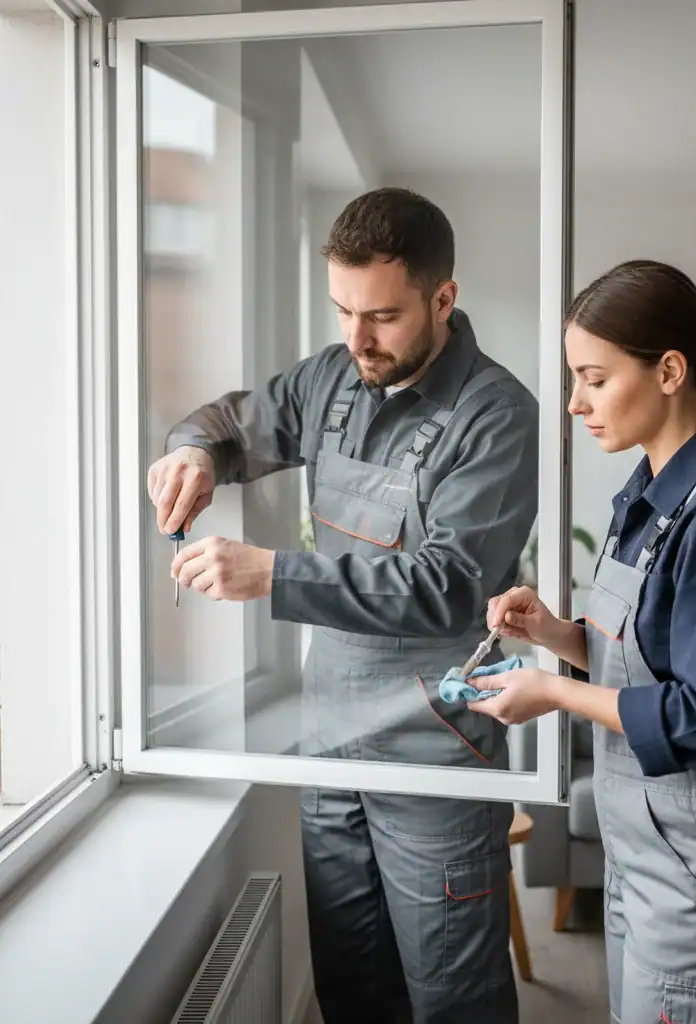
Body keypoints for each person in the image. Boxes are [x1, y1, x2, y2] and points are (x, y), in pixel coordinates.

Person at [146, 188, 538, 1024]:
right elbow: (227, 419)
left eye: (384, 317)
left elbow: (447, 587)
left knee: (452, 1002)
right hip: (328, 753)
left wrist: (271, 576)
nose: (358, 338)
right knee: (352, 991)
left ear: (443, 299)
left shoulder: (498, 415)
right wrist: (194, 454)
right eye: (343, 310)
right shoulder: (331, 378)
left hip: (437, 757)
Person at [470, 259, 696, 1024]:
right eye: (573, 379)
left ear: (669, 371)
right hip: (644, 847)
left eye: (593, 378)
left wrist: (554, 691)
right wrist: (554, 636)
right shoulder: (648, 494)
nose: (574, 403)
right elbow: (652, 667)